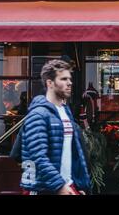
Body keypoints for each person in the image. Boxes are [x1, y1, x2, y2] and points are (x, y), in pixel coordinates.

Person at [20, 59, 90, 195]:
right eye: (63, 79)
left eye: (69, 79)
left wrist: (77, 184)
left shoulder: (65, 111)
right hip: (44, 189)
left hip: (67, 186)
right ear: (50, 83)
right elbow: (38, 157)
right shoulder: (38, 114)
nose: (69, 83)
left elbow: (73, 153)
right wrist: (60, 186)